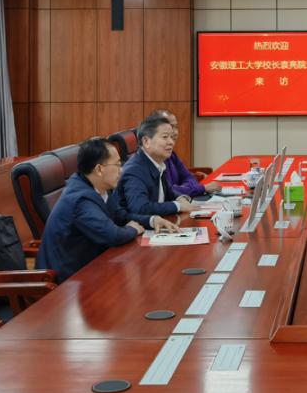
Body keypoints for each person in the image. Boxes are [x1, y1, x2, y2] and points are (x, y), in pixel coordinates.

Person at [36, 138, 176, 283]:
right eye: (117, 164)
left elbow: (120, 216)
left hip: (90, 269)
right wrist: (133, 229)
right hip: (66, 282)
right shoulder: (80, 199)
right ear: (99, 169)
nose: (121, 170)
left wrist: (152, 220)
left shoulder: (100, 187)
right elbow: (112, 235)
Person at [118, 114, 199, 219]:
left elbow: (168, 192)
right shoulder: (134, 170)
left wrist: (180, 198)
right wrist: (177, 206)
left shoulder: (158, 162)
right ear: (146, 141)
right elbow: (141, 208)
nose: (171, 142)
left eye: (171, 137)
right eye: (165, 137)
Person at [152, 108, 221, 198]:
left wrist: (185, 188)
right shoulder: (154, 159)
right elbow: (169, 191)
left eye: (176, 127)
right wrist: (202, 188)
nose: (175, 132)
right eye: (170, 127)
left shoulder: (171, 154)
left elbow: (189, 178)